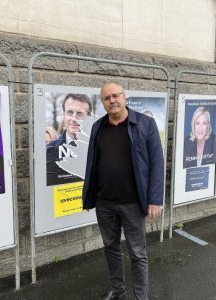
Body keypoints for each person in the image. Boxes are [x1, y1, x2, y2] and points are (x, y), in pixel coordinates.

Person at [82, 83, 164, 300]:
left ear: (124, 97)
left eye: (116, 95)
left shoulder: (145, 124)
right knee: (110, 247)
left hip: (132, 203)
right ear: (102, 102)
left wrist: (155, 199)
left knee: (138, 254)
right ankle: (118, 290)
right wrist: (90, 196)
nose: (112, 100)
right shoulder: (98, 127)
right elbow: (92, 163)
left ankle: (140, 297)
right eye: (107, 98)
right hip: (105, 202)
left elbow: (157, 163)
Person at [46, 93, 92, 186]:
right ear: (64, 114)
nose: (73, 118)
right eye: (70, 112)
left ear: (89, 116)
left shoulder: (100, 149)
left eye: (79, 113)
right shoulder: (49, 151)